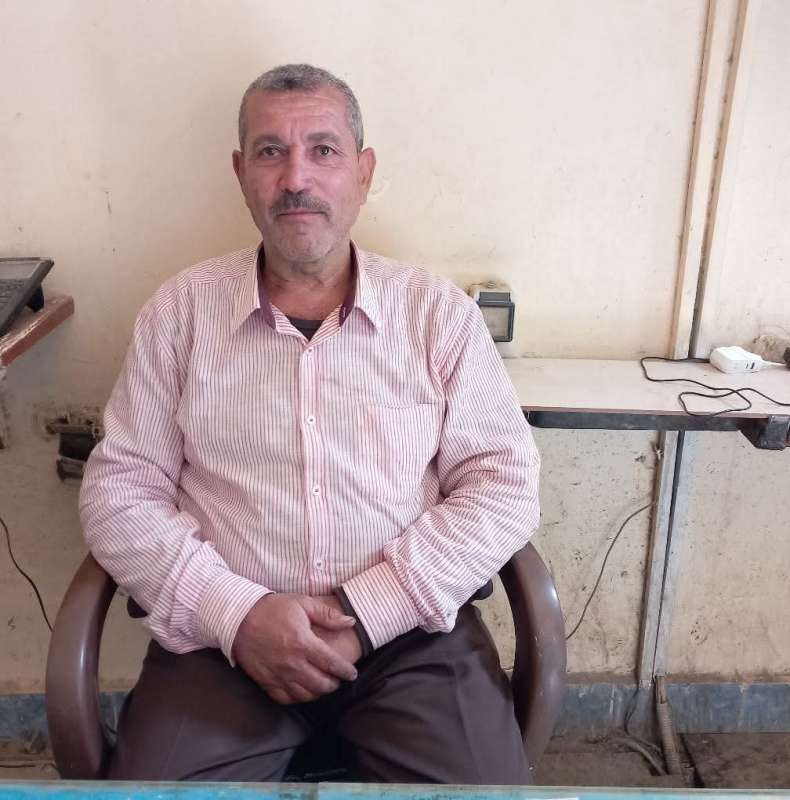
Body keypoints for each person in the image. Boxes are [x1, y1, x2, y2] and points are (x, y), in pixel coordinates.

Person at [80, 63, 541, 784]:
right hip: (223, 646)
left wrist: (368, 611)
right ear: (241, 172)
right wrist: (238, 615)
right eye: (271, 152)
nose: (296, 178)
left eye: (323, 150)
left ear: (363, 171)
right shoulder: (180, 314)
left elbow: (503, 485)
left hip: (412, 644)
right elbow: (119, 492)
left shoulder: (435, 314)